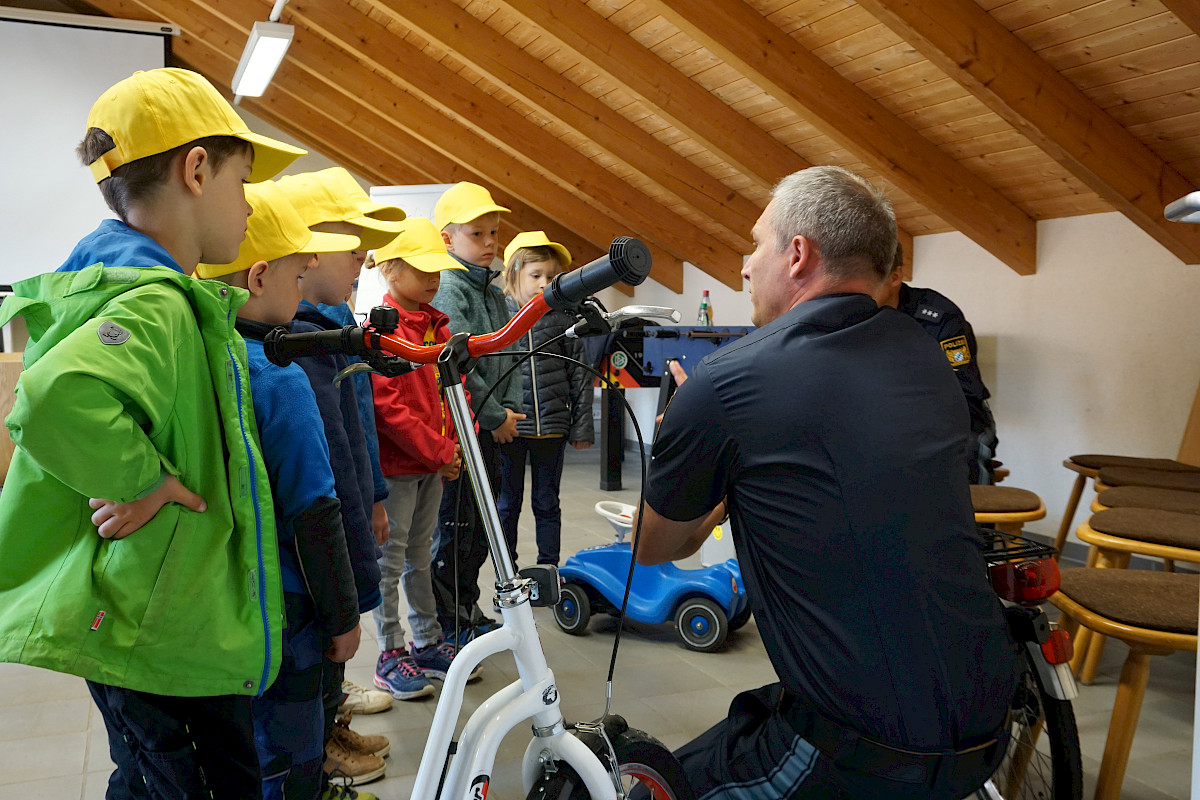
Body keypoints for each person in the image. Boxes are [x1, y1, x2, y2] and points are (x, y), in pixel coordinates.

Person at [636, 166, 1020, 800]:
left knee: (651, 786)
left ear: (797, 254)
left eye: (755, 244)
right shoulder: (926, 356)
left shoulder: (727, 380)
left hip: (863, 753)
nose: (743, 264)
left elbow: (657, 547)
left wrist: (689, 434)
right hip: (985, 718)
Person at [0, 68, 302, 798]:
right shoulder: (154, 304)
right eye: (242, 182)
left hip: (164, 618)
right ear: (197, 170)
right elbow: (53, 395)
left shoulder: (135, 288)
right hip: (158, 626)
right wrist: (141, 478)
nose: (247, 204)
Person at [196, 181, 372, 800]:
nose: (302, 291)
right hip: (290, 613)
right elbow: (314, 512)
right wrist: (344, 618)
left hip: (217, 607)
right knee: (293, 753)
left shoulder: (193, 358)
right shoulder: (278, 378)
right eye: (299, 276)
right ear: (262, 276)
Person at [275, 167, 406, 721]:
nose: (364, 257)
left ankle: (333, 717)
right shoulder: (293, 344)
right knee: (325, 628)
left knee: (339, 619)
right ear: (303, 248)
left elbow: (358, 428)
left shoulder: (338, 329)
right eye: (351, 240)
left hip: (351, 499)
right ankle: (325, 734)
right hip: (320, 525)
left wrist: (374, 493)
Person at [368, 218, 485, 701]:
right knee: (390, 562)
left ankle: (428, 642)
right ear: (392, 270)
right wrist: (442, 451)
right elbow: (388, 408)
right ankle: (389, 652)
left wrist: (462, 439)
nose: (433, 279)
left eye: (437, 270)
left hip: (434, 465)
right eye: (421, 270)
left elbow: (452, 390)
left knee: (422, 556)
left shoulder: (438, 324)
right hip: (401, 467)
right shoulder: (382, 329)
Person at [430, 181, 524, 643]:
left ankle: (465, 609)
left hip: (489, 424)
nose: (490, 243)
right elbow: (460, 366)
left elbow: (506, 353)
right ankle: (451, 623)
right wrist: (494, 418)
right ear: (447, 240)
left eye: (493, 232)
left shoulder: (490, 286)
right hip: (467, 427)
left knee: (478, 527)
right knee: (458, 526)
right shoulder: (451, 287)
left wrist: (510, 411)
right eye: (477, 234)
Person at [496, 231, 594, 566]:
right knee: (506, 505)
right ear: (513, 274)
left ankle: (548, 568)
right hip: (509, 428)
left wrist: (582, 428)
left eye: (551, 276)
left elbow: (580, 374)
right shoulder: (497, 316)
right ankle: (507, 575)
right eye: (535, 275)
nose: (544, 283)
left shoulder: (565, 316)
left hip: (552, 425)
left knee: (547, 502)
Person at [874, 244, 998, 484]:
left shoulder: (938, 316)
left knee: (968, 451)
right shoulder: (854, 315)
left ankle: (979, 521)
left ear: (896, 276)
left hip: (957, 416)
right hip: (886, 417)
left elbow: (962, 393)